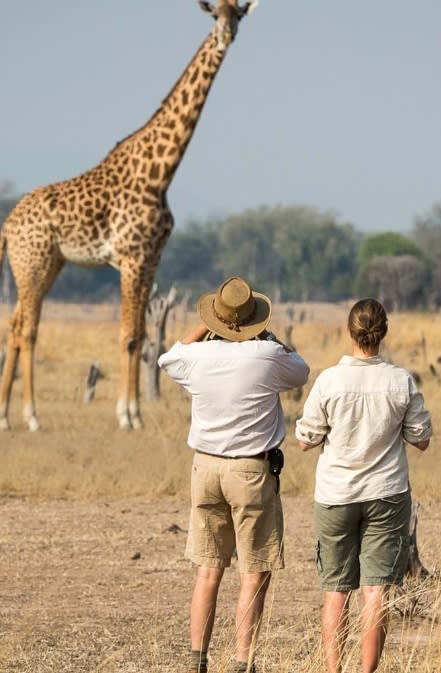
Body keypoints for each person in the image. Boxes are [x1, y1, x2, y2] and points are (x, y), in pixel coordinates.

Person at [158, 276, 310, 673]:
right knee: (253, 573)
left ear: (217, 320)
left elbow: (168, 358)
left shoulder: (198, 359)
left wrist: (203, 329)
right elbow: (301, 369)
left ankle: (197, 660)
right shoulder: (267, 355)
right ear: (256, 320)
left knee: (208, 571)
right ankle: (243, 662)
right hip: (251, 471)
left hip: (205, 467)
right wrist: (271, 337)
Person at [295, 298, 432, 673]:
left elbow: (306, 440)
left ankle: (334, 668)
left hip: (336, 494)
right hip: (387, 492)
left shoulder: (329, 380)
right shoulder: (400, 379)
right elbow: (421, 439)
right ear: (383, 332)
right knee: (376, 591)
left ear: (349, 331)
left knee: (336, 590)